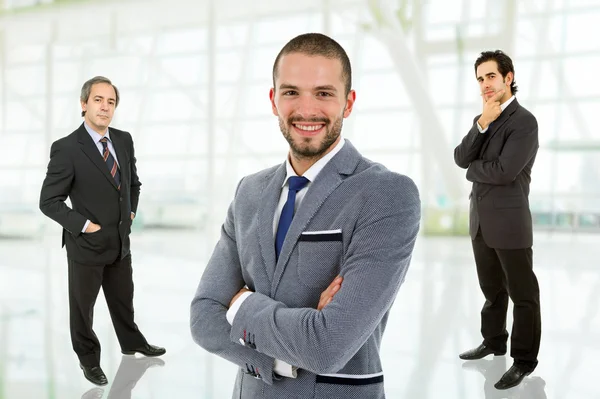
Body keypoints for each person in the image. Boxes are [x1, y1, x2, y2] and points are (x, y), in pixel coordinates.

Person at [190, 32, 420, 399]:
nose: (307, 109)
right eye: (292, 92)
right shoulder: (249, 192)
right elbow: (203, 318)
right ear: (273, 99)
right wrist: (281, 360)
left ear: (348, 103)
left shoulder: (387, 194)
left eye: (324, 93)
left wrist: (241, 305)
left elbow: (328, 346)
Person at [39, 76, 165, 386]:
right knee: (83, 309)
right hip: (87, 244)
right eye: (98, 100)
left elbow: (133, 183)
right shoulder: (67, 148)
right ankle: (88, 360)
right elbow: (48, 201)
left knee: (123, 299)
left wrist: (131, 211)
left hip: (120, 241)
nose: (104, 107)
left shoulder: (123, 140)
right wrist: (84, 225)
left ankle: (131, 342)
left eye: (110, 102)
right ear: (84, 105)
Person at [454, 50, 541, 390]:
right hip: (481, 221)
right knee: (492, 291)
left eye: (490, 76)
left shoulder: (524, 122)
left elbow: (505, 171)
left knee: (522, 293)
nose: (485, 84)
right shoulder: (485, 118)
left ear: (508, 77)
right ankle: (493, 341)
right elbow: (461, 156)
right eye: (480, 79)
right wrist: (481, 124)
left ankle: (523, 360)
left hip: (510, 222)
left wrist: (474, 170)